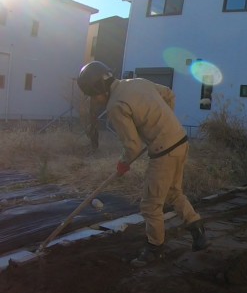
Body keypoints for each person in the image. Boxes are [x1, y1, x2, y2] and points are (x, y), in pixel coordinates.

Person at [77, 61, 209, 266]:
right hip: (181, 141)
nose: (94, 100)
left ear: (99, 90)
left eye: (93, 96)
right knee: (173, 192)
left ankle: (154, 249)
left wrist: (123, 164)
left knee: (150, 205)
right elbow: (169, 95)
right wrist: (164, 124)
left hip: (164, 152)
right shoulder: (137, 82)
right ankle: (196, 227)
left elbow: (132, 146)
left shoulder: (115, 106)